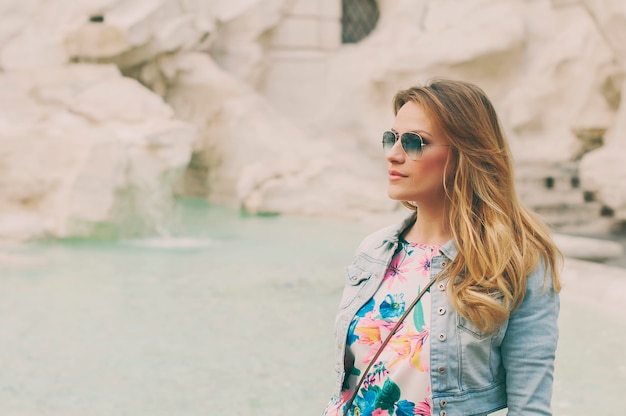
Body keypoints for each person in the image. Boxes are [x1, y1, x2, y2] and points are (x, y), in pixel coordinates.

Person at [323, 79, 562, 416]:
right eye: (391, 139)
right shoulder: (374, 250)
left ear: (465, 153)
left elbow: (530, 406)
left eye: (414, 142)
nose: (393, 154)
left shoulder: (517, 261)